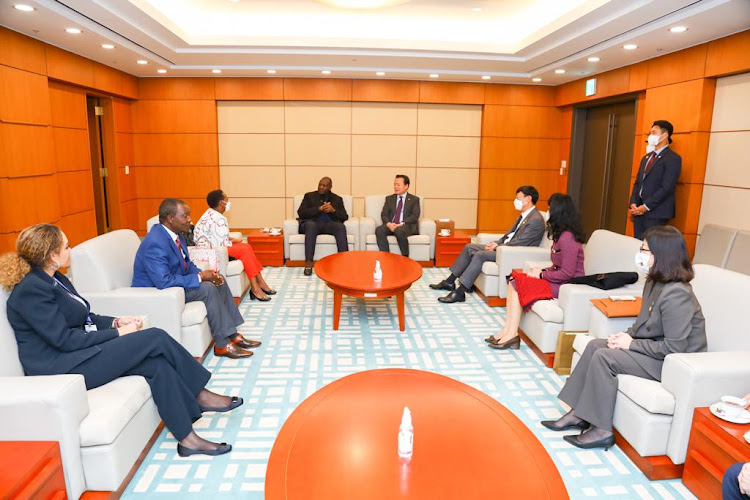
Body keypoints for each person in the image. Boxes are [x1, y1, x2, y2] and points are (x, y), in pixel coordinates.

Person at [0, 224, 241, 457]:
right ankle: (199, 393)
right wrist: (118, 334)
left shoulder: (54, 278)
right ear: (51, 255)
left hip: (77, 353)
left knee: (156, 364)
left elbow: (84, 317)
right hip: (60, 367)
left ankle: (188, 439)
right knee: (155, 337)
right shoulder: (31, 290)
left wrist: (116, 322)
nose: (70, 251)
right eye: (66, 247)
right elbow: (63, 340)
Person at [541, 225, 707, 450]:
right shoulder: (654, 281)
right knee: (595, 346)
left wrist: (632, 344)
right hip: (656, 350)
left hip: (675, 363)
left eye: (645, 250)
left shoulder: (678, 293)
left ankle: (602, 430)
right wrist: (624, 336)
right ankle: (579, 413)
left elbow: (674, 347)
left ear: (662, 255)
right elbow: (643, 323)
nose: (640, 254)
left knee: (604, 358)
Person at [132, 198, 260, 359]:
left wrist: (207, 275)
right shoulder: (155, 243)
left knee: (217, 280)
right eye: (185, 216)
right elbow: (163, 281)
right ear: (171, 218)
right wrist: (200, 278)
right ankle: (221, 345)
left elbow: (187, 264)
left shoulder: (176, 235)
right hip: (160, 294)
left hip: (175, 286)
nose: (190, 220)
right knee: (207, 289)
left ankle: (231, 334)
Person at [487, 193, 585, 350]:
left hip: (567, 286)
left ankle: (511, 334)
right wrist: (541, 270)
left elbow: (568, 273)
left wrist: (541, 275)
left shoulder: (568, 238)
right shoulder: (560, 234)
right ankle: (508, 331)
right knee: (514, 279)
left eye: (550, 209)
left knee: (518, 282)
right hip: (558, 280)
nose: (548, 213)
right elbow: (558, 266)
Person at [431, 185, 546, 303]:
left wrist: (499, 247)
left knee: (480, 255)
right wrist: (496, 243)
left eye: (518, 198)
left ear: (528, 199)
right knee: (469, 247)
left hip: (512, 253)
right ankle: (450, 281)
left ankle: (460, 292)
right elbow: (509, 235)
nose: (515, 201)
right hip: (505, 248)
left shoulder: (535, 219)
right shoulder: (523, 216)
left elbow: (521, 242)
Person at [194, 190, 276, 301]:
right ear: (222, 203)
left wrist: (233, 240)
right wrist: (234, 241)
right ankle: (256, 288)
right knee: (244, 250)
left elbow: (216, 238)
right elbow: (222, 244)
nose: (228, 202)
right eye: (227, 200)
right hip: (213, 253)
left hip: (209, 249)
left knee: (246, 247)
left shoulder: (209, 213)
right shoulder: (219, 218)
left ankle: (260, 283)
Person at [629, 120, 682, 239]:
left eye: (654, 132)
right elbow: (638, 182)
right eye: (650, 132)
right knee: (637, 246)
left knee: (651, 247)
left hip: (656, 213)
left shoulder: (673, 158)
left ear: (665, 135)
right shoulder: (646, 157)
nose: (650, 135)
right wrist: (633, 202)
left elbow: (666, 187)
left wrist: (646, 206)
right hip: (638, 211)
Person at [297, 177, 349, 276]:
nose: (321, 187)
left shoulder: (337, 199)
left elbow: (344, 216)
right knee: (311, 225)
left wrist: (333, 210)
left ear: (330, 187)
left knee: (340, 227)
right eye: (320, 184)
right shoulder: (309, 196)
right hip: (313, 223)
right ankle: (308, 262)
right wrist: (318, 209)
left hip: (329, 224)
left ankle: (344, 261)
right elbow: (301, 213)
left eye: (324, 186)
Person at [375, 175, 420, 257]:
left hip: (405, 225)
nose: (396, 187)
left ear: (406, 186)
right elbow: (384, 214)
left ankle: (405, 257)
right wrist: (388, 224)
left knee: (399, 230)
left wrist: (402, 223)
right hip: (391, 225)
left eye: (398, 185)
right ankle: (386, 257)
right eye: (395, 184)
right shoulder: (389, 199)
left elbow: (415, 216)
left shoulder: (414, 199)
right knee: (379, 230)